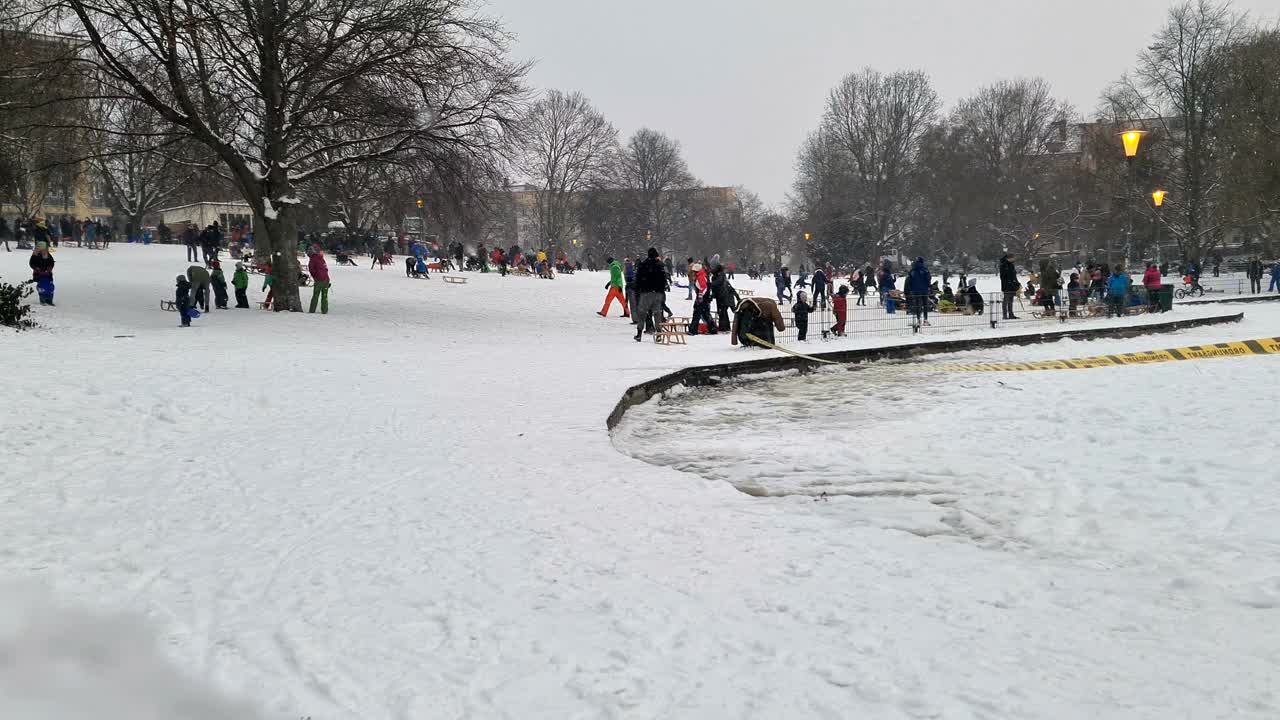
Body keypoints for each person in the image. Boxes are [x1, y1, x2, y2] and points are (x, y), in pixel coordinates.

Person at [631, 248, 667, 342]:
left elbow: (638, 279)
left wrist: (638, 289)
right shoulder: (659, 266)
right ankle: (659, 333)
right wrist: (661, 290)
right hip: (657, 293)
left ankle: (639, 334)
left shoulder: (643, 265)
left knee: (642, 313)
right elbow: (664, 279)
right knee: (657, 313)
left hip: (645, 293)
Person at [710, 263, 740, 332]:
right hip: (722, 297)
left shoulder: (721, 276)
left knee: (723, 312)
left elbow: (718, 284)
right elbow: (717, 287)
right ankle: (724, 327)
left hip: (724, 297)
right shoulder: (718, 276)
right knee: (722, 312)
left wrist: (737, 296)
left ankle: (725, 328)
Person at [905, 256, 932, 327]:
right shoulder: (925, 270)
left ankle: (918, 319)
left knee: (917, 305)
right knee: (925, 304)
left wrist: (911, 289)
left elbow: (909, 281)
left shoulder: (912, 270)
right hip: (924, 290)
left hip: (915, 290)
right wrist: (928, 286)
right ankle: (925, 320)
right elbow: (928, 279)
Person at [308, 245, 331, 314]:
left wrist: (315, 277)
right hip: (326, 279)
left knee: (315, 295)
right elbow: (325, 268)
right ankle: (324, 310)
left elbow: (312, 270)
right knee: (324, 296)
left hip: (319, 279)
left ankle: (312, 310)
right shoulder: (321, 258)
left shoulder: (313, 259)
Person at [999, 253, 1020, 320]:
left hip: (1012, 285)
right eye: (1012, 258)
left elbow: (1014, 275)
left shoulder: (1011, 265)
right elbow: (1004, 277)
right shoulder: (1004, 265)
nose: (1014, 259)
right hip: (1007, 286)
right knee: (1006, 300)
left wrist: (1016, 283)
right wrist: (1010, 282)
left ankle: (1011, 314)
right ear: (1008, 258)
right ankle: (1005, 315)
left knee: (1011, 300)